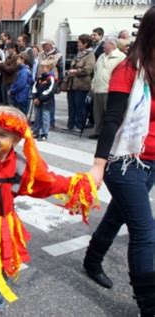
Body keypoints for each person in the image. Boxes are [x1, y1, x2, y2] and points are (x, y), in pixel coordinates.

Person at [0, 106, 99, 316]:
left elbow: (47, 183)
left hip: (4, 227)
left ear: (16, 139)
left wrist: (77, 183)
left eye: (2, 135)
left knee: (3, 269)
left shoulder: (19, 167)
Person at [83, 7, 155, 317]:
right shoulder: (128, 69)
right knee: (144, 231)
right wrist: (99, 165)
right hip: (123, 161)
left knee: (117, 215)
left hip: (151, 161)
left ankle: (92, 260)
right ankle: (148, 305)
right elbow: (111, 119)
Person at [89, 36, 125, 140]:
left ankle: (108, 134)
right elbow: (96, 71)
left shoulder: (121, 57)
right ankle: (97, 131)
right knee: (97, 113)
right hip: (98, 88)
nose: (103, 45)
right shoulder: (101, 56)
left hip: (110, 89)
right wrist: (93, 85)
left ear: (112, 45)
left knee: (108, 114)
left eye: (105, 44)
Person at [64, 34, 96, 134]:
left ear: (85, 44)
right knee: (71, 105)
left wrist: (75, 71)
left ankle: (79, 125)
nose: (77, 44)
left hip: (82, 85)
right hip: (72, 83)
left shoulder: (90, 55)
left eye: (79, 42)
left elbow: (88, 70)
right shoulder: (78, 54)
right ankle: (70, 124)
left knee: (80, 106)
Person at [38, 39, 64, 129]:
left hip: (52, 79)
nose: (43, 46)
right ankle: (40, 121)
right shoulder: (41, 54)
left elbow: (61, 69)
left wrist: (59, 83)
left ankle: (50, 122)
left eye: (45, 45)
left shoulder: (58, 55)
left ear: (50, 45)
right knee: (40, 98)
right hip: (41, 79)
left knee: (49, 100)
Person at [32, 60, 56, 141]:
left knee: (45, 117)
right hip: (37, 101)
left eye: (43, 67)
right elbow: (34, 87)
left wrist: (40, 98)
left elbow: (50, 90)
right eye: (40, 67)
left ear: (49, 68)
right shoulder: (39, 77)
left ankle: (44, 133)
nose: (41, 69)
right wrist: (35, 97)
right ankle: (36, 131)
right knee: (37, 116)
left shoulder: (51, 78)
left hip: (46, 102)